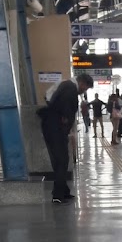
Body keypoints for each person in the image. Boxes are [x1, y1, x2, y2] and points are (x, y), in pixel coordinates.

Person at [39, 72, 93, 203]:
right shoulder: (70, 88)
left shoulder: (65, 84)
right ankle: (58, 195)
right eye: (85, 88)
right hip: (55, 127)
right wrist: (65, 122)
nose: (83, 91)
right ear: (82, 83)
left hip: (52, 126)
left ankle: (63, 191)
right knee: (61, 159)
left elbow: (48, 96)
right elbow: (66, 109)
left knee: (60, 159)